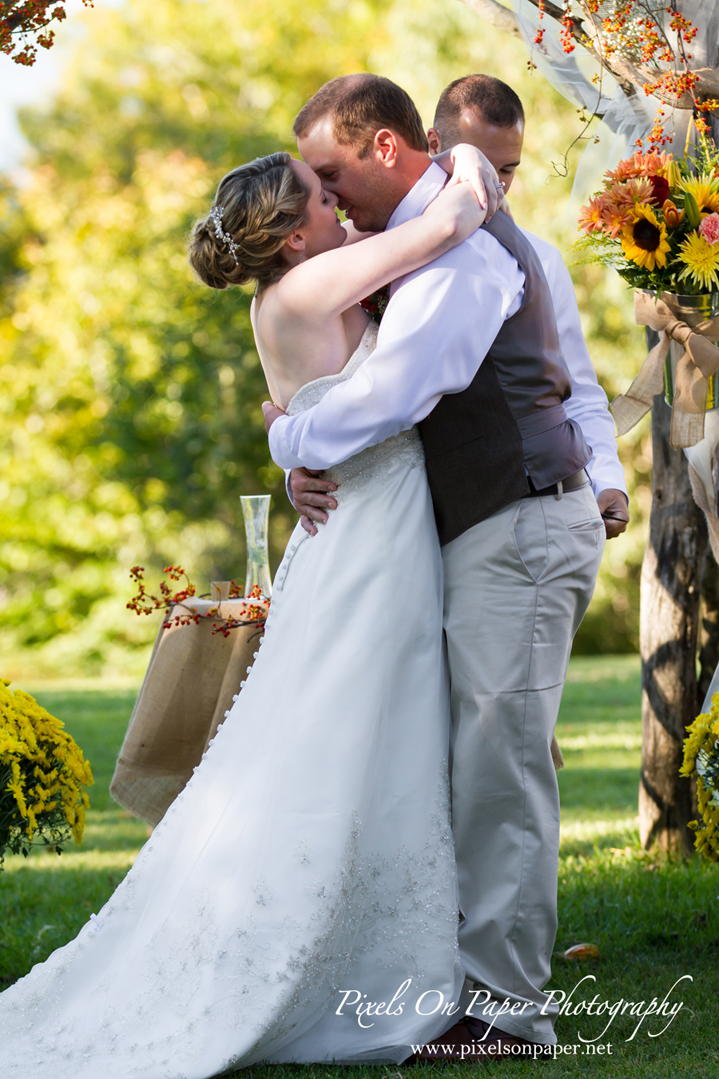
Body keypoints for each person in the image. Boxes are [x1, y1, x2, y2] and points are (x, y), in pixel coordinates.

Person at [0, 146, 498, 1074]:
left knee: (348, 730)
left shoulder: (285, 300)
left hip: (355, 528)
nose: (339, 209)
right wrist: (467, 144)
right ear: (287, 230)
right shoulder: (311, 285)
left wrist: (282, 437)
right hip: (368, 535)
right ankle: (358, 963)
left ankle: (380, 948)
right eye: (321, 197)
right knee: (355, 733)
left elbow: (300, 406)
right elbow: (449, 222)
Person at [265, 71, 622, 1059]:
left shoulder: (462, 254)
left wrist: (288, 440)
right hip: (484, 529)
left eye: (334, 174)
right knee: (468, 765)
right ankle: (460, 984)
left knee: (498, 770)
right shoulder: (430, 229)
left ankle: (508, 1014)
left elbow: (393, 393)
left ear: (385, 146)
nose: (327, 196)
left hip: (516, 524)